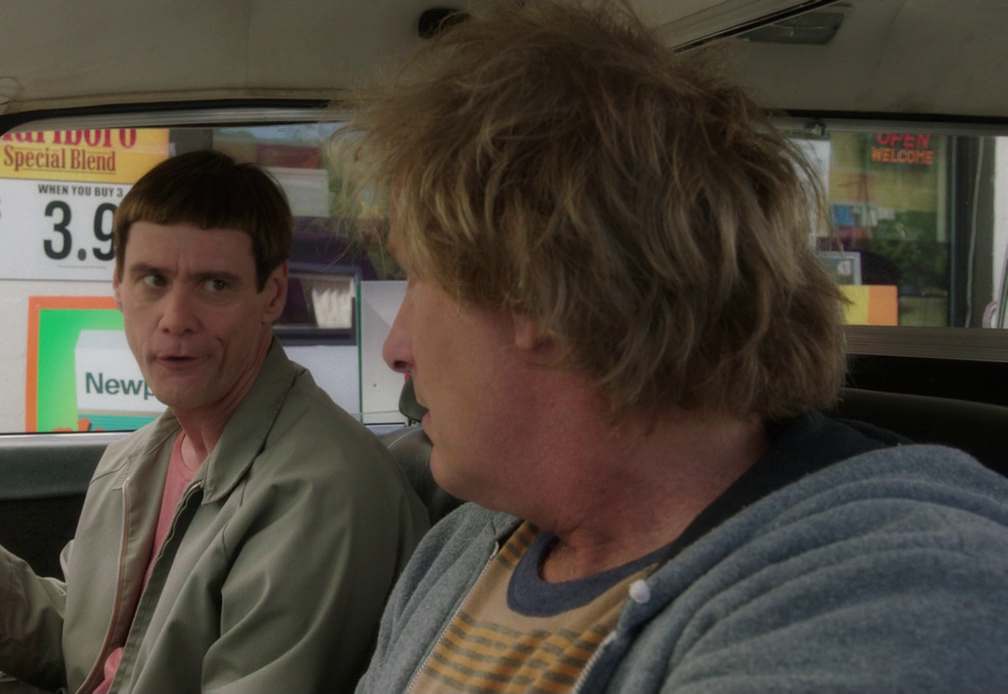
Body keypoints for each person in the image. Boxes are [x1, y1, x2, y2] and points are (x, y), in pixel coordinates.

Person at [347, 3, 1008, 693]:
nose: (396, 349)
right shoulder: (465, 547)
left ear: (538, 296)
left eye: (418, 277)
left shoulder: (883, 598)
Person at [0, 150, 430, 693]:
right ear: (117, 285)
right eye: (153, 280)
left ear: (272, 294)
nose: (175, 317)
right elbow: (90, 651)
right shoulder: (137, 460)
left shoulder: (319, 494)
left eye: (215, 285)